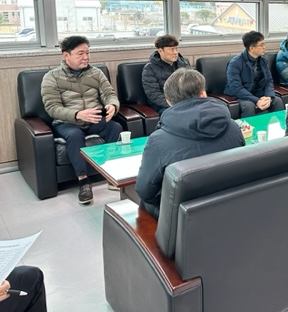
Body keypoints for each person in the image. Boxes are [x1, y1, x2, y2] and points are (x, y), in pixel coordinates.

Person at [135, 68, 245, 218]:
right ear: (203, 94)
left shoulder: (158, 141)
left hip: (186, 218)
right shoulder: (233, 127)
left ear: (168, 101)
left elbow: (145, 192)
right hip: (229, 208)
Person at [41, 36, 121, 205]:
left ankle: (111, 174)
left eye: (87, 53)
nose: (86, 57)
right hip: (67, 122)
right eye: (80, 53)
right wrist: (77, 114)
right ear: (66, 55)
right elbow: (52, 108)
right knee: (74, 135)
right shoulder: (52, 77)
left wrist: (113, 105)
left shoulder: (96, 73)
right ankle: (83, 181)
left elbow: (109, 94)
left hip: (94, 119)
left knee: (115, 127)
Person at [224, 31, 285, 117]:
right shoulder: (235, 63)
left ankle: (280, 125)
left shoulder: (263, 61)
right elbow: (236, 87)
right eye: (261, 45)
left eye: (264, 44)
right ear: (252, 48)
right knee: (249, 106)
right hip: (240, 95)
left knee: (277, 101)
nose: (264, 47)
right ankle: (250, 126)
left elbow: (269, 80)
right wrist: (256, 100)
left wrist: (268, 96)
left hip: (258, 93)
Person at [141, 34, 190, 115]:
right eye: (171, 49)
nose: (175, 53)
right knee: (180, 114)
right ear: (160, 51)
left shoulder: (183, 63)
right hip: (163, 105)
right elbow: (153, 94)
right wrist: (175, 104)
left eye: (176, 49)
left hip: (183, 101)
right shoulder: (149, 68)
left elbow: (192, 84)